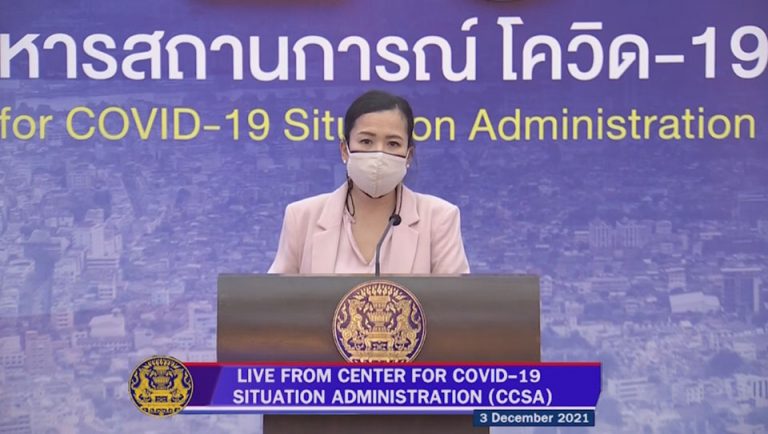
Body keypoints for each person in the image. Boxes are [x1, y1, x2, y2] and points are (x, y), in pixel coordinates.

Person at [268, 90, 469, 274]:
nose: (379, 153)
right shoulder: (302, 218)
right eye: (366, 141)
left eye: (393, 143)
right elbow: (278, 298)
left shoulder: (440, 218)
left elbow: (454, 300)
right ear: (344, 150)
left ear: (408, 155)